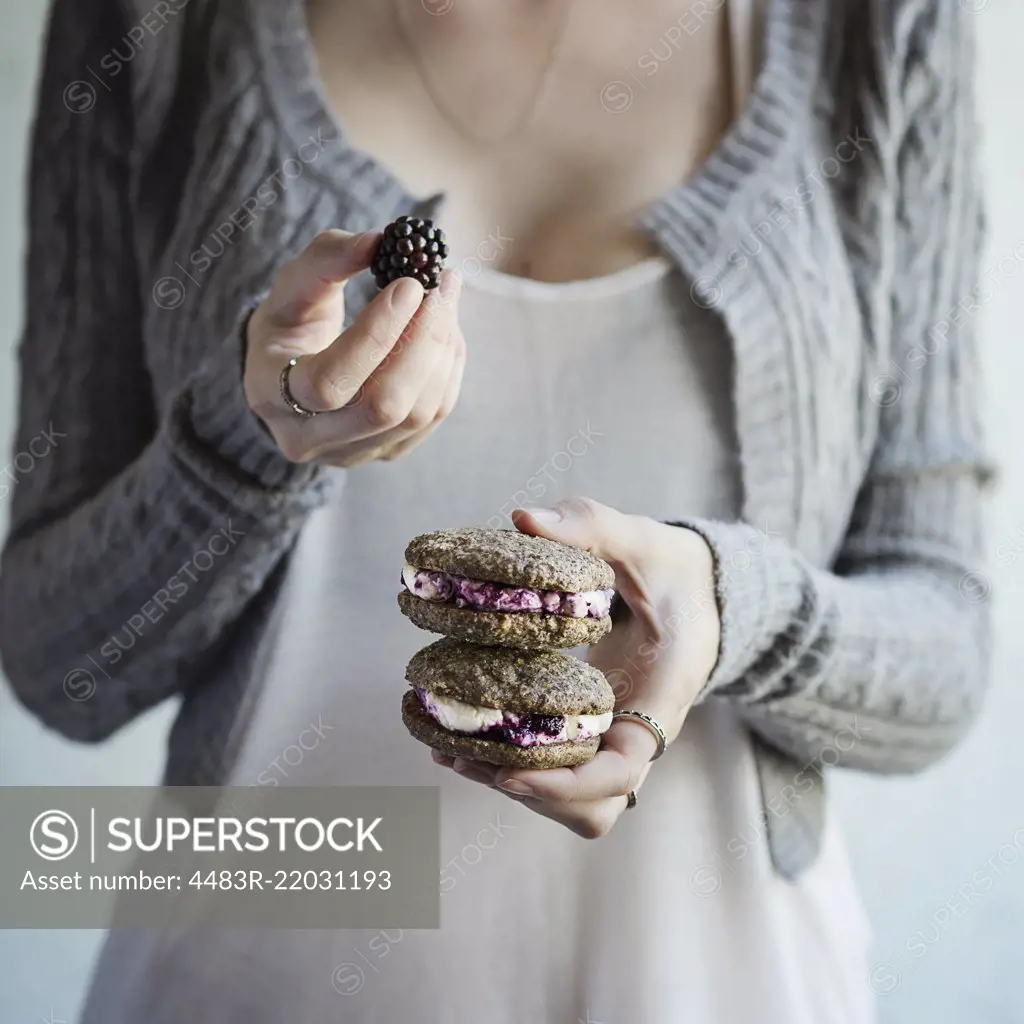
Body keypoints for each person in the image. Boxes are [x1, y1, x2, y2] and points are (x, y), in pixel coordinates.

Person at [1, 0, 991, 1021]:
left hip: (716, 971)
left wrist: (735, 607)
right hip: (251, 963)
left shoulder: (881, 23)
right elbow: (59, 665)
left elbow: (944, 637)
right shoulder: (152, 26)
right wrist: (242, 445)